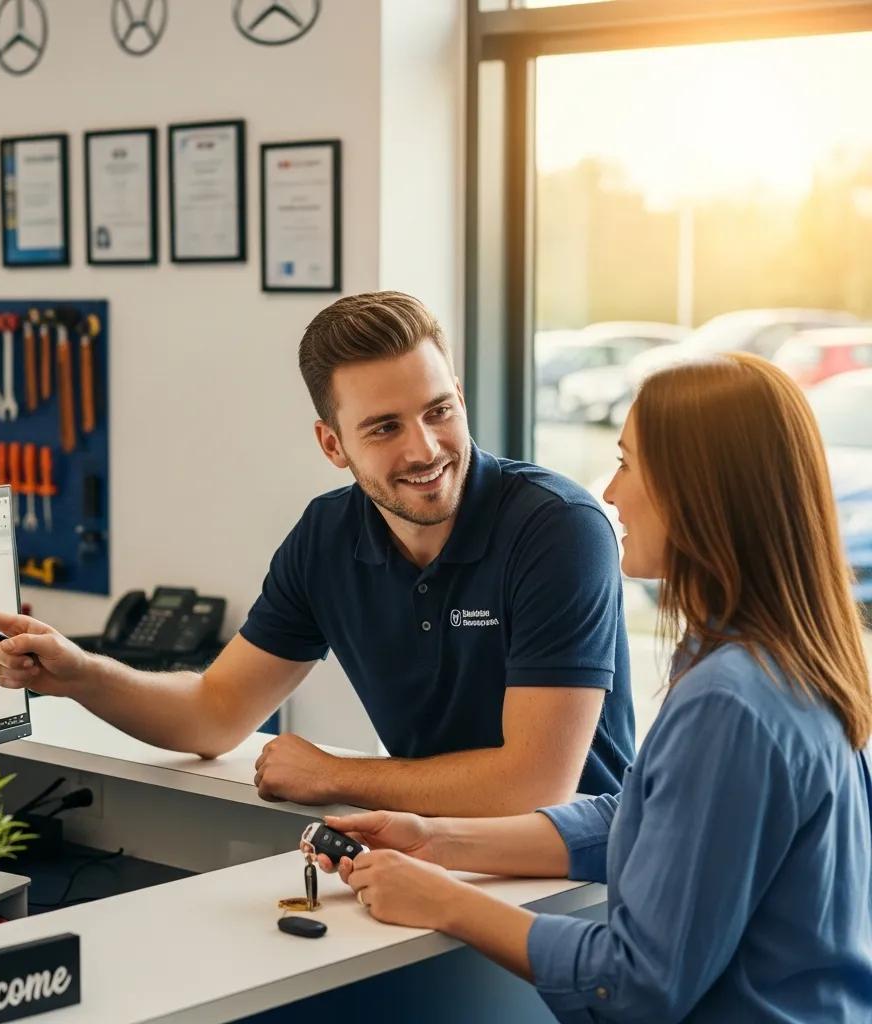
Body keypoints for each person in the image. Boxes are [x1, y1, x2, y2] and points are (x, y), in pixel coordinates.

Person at [315, 353, 872, 1022]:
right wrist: (437, 840)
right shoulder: (780, 661)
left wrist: (445, 901)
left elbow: (634, 983)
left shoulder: (730, 702)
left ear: (700, 492)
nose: (610, 493)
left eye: (629, 464)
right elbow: (646, 819)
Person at [0, 292, 635, 816]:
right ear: (332, 445)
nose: (425, 449)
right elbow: (214, 712)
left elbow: (536, 785)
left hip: (578, 881)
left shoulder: (559, 529)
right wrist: (84, 674)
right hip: (435, 851)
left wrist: (337, 776)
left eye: (438, 411)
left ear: (459, 398)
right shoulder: (326, 539)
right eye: (384, 427)